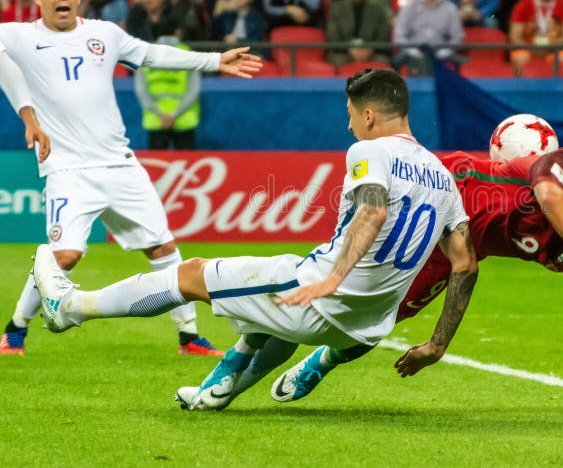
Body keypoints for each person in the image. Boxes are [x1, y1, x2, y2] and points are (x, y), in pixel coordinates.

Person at [32, 68, 479, 413]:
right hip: (366, 327)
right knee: (272, 319)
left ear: (367, 114)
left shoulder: (369, 150)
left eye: (349, 117)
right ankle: (216, 394)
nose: (349, 129)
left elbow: (374, 208)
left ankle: (69, 309)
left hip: (322, 295)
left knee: (191, 275)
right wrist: (437, 345)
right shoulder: (443, 177)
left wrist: (331, 279)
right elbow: (465, 266)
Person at [253, 134, 563, 422]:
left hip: (462, 246)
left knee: (382, 321)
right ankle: (247, 344)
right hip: (433, 201)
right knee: (348, 296)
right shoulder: (557, 166)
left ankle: (320, 361)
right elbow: (552, 200)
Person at [0, 0, 262, 357]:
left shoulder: (104, 33)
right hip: (68, 169)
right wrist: (28, 114)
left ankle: (188, 337)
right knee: (64, 257)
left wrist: (213, 61)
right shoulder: (19, 36)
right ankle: (15, 330)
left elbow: (153, 54)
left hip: (121, 165)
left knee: (162, 248)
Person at [392, 0, 465, 75]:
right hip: (413, 51)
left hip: (440, 52)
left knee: (463, 64)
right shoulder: (409, 6)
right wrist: (413, 52)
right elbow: (399, 36)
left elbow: (457, 37)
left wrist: (444, 52)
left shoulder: (450, 8)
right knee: (411, 62)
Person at [134, 36, 201, 151]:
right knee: (187, 163)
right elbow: (193, 90)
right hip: (183, 119)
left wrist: (160, 114)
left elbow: (141, 92)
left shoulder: (146, 56)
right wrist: (175, 114)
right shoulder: (188, 54)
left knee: (156, 165)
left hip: (156, 119)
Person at [326, 0, 391, 67]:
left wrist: (369, 50)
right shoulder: (337, 8)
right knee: (338, 60)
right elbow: (333, 36)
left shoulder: (378, 9)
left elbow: (383, 35)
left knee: (382, 61)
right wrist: (350, 50)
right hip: (344, 51)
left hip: (372, 51)